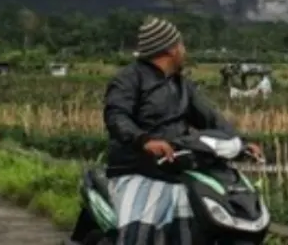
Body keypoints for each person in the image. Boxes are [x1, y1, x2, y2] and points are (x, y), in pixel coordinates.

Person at [103, 17, 263, 244]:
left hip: (175, 169)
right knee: (137, 235)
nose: (184, 50)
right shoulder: (129, 79)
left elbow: (211, 118)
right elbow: (116, 116)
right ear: (170, 49)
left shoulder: (181, 85)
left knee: (197, 229)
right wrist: (144, 141)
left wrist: (241, 142)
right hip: (137, 169)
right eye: (181, 44)